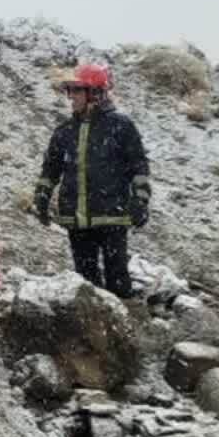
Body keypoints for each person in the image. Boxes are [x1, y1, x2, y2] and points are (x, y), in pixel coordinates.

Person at [34, 62, 151, 300]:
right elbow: (50, 169)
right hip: (77, 220)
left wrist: (140, 200)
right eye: (70, 90)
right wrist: (42, 195)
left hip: (112, 218)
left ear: (96, 93)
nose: (71, 96)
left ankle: (125, 316)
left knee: (118, 281)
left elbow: (139, 166)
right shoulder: (64, 131)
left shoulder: (121, 126)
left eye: (77, 90)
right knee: (86, 283)